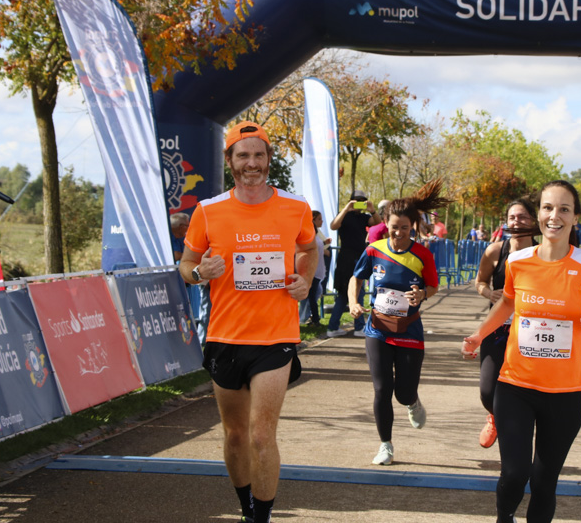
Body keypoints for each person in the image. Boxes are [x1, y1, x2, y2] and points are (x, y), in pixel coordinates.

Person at [178, 121, 317, 523]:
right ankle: (247, 508)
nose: (251, 163)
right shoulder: (208, 211)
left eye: (259, 155)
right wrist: (200, 272)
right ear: (230, 161)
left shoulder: (296, 207)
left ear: (269, 159)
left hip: (276, 337)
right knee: (236, 436)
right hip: (225, 335)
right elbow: (185, 265)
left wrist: (305, 280)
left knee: (260, 434)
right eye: (243, 155)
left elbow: (310, 248)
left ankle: (262, 518)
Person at [462, 180, 581, 523]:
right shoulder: (518, 260)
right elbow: (508, 304)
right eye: (547, 208)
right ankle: (504, 518)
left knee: (544, 482)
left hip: (565, 394)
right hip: (516, 386)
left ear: (576, 217)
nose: (554, 216)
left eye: (564, 209)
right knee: (514, 474)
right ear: (539, 215)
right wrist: (478, 334)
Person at [348, 179, 448, 466]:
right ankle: (385, 445)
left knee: (403, 392)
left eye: (405, 227)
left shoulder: (423, 254)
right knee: (382, 389)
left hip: (409, 330)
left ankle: (412, 402)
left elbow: (433, 287)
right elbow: (356, 277)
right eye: (394, 226)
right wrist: (354, 302)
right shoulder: (373, 250)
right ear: (386, 223)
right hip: (377, 328)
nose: (399, 232)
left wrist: (421, 294)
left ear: (412, 227)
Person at [472, 199, 538, 449]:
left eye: (522, 217)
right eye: (512, 217)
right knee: (488, 391)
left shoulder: (542, 253)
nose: (517, 222)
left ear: (533, 221)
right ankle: (494, 416)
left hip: (530, 332)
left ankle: (516, 437)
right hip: (497, 328)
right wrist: (489, 294)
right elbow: (480, 282)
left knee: (525, 393)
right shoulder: (495, 251)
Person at [327, 190, 381, 338]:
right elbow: (333, 226)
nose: (359, 202)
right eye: (356, 200)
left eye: (362, 200)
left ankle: (335, 327)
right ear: (351, 201)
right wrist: (346, 208)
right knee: (349, 292)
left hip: (359, 256)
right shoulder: (345, 215)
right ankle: (356, 327)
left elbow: (379, 223)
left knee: (351, 294)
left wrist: (372, 210)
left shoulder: (365, 217)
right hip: (346, 258)